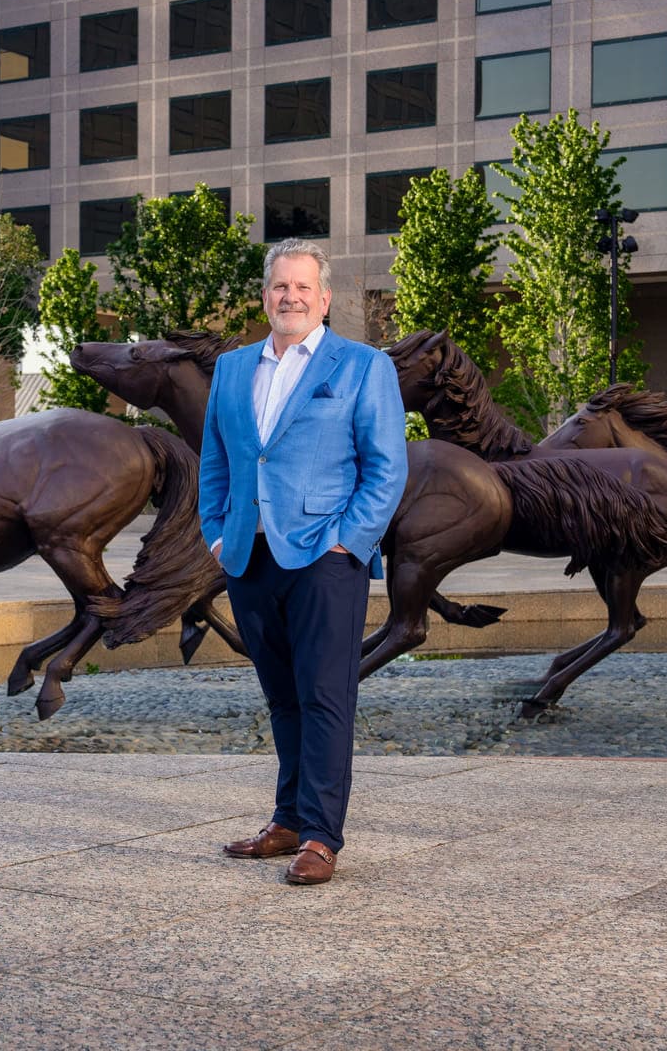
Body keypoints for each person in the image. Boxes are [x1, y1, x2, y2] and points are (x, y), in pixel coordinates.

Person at [198, 238, 407, 885]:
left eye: (302, 288)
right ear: (266, 297)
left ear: (324, 299)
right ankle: (286, 820)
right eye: (279, 287)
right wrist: (215, 531)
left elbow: (386, 466)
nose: (290, 297)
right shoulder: (233, 369)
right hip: (248, 555)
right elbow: (217, 461)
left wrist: (349, 539)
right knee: (282, 697)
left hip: (324, 555)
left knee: (324, 697)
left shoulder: (363, 367)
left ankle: (320, 835)